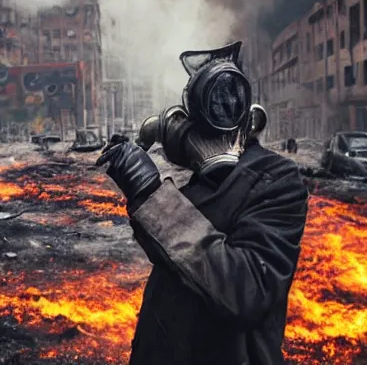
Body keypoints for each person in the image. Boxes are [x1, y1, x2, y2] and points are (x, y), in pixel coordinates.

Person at [96, 42, 309, 365]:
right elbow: (172, 259)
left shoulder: (277, 179)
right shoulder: (196, 186)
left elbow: (246, 290)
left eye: (227, 104)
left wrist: (150, 193)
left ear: (248, 119)